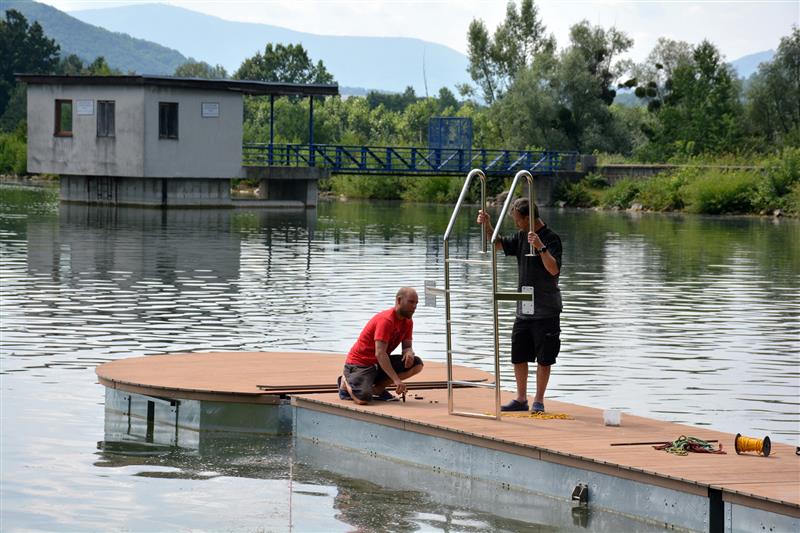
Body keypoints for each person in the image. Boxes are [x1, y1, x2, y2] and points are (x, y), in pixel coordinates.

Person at [477, 198, 562, 412]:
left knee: (544, 358)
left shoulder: (551, 239)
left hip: (546, 308)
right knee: (518, 354)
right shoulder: (522, 236)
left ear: (528, 218)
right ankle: (521, 398)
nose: (516, 224)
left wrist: (540, 247)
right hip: (524, 308)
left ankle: (538, 400)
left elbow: (554, 270)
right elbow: (497, 244)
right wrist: (487, 225)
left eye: (518, 220)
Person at [338, 287, 424, 404]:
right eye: (411, 302)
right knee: (362, 399)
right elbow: (380, 353)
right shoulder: (386, 320)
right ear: (399, 301)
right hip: (360, 364)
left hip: (378, 364)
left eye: (416, 303)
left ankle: (378, 389)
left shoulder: (408, 321)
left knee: (417, 364)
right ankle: (345, 380)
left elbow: (407, 346)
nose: (414, 306)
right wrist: (396, 380)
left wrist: (409, 352)